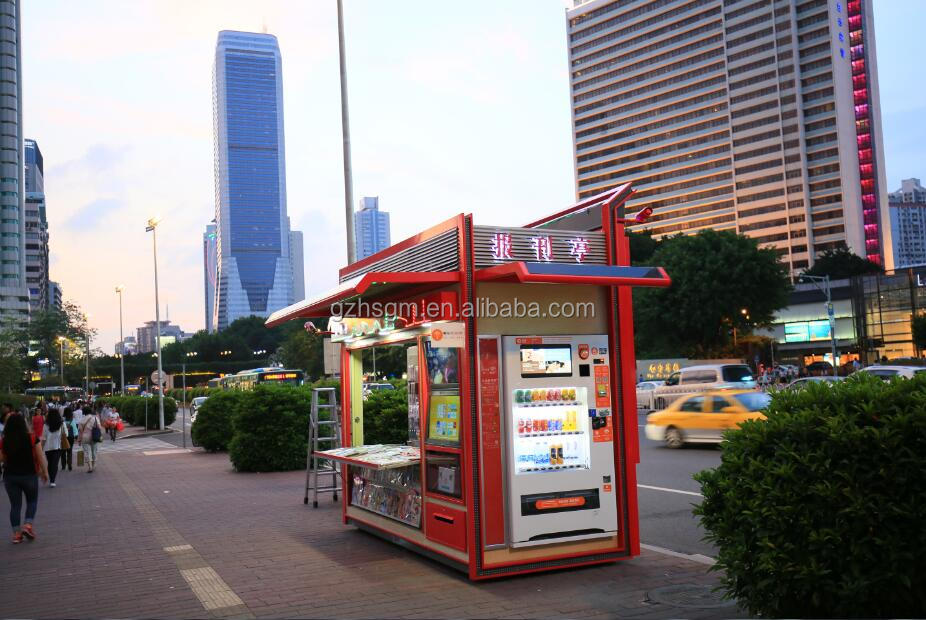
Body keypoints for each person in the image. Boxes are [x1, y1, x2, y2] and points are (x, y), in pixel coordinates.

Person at [0, 413, 48, 543]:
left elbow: (2, 458)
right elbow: (40, 456)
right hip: (29, 475)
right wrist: (45, 472)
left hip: (10, 477)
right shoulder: (32, 438)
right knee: (32, 501)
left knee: (15, 506)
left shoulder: (5, 440)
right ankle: (27, 525)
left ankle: (16, 534)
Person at [41, 410, 66, 488]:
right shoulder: (61, 424)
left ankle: (51, 480)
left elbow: (44, 437)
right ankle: (52, 480)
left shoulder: (46, 425)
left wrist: (41, 447)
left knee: (50, 463)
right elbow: (66, 434)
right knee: (54, 464)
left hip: (48, 447)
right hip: (58, 446)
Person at [77, 407, 102, 473]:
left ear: (84, 412)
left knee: (87, 452)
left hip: (85, 437)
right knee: (94, 451)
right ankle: (94, 465)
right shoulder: (95, 418)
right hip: (94, 437)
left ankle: (90, 467)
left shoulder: (81, 420)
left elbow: (80, 432)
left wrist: (79, 440)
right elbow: (99, 427)